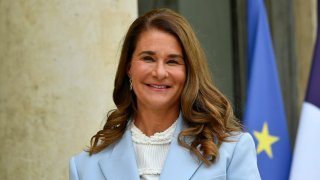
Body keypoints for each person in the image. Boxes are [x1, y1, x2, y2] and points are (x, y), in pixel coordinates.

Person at [69, 8, 261, 180]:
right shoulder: (84, 167)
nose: (159, 73)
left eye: (172, 61)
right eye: (148, 58)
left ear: (189, 72)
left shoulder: (232, 150)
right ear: (129, 67)